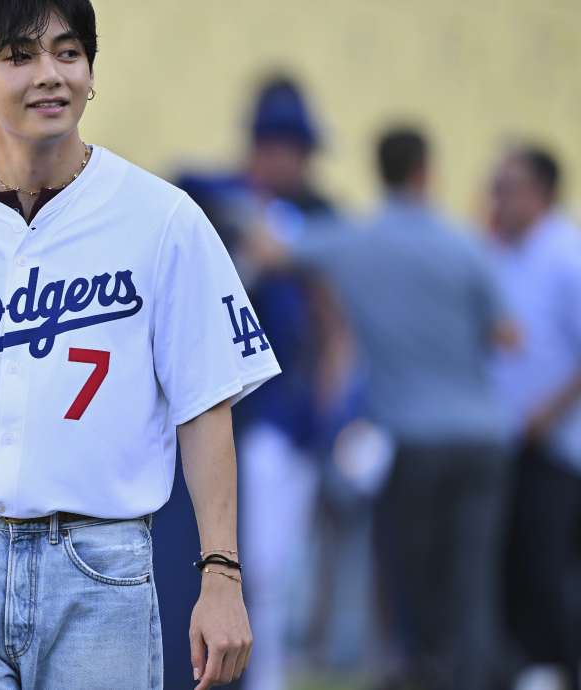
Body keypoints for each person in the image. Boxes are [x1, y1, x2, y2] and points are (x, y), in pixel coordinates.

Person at [0, 2, 281, 688]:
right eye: (19, 57)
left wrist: (221, 574)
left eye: (68, 54)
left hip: (101, 566)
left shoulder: (162, 219)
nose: (50, 76)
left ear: (92, 74)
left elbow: (204, 405)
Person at [255, 126, 518, 689]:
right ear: (427, 170)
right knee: (473, 581)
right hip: (481, 436)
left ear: (381, 170)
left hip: (411, 436)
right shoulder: (464, 243)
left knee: (409, 581)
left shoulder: (355, 242)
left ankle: (420, 673)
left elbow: (276, 249)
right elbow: (508, 335)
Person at [178, 75, 348, 690]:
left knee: (266, 577)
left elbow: (335, 331)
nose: (293, 162)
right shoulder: (206, 196)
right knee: (199, 570)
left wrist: (324, 419)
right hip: (204, 415)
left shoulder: (318, 217)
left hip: (277, 417)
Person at [488, 145, 581, 690]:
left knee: (554, 567)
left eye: (510, 187)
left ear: (542, 192)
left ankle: (577, 667)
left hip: (561, 444)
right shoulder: (504, 253)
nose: (500, 198)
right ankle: (536, 669)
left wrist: (554, 406)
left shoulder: (571, 254)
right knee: (518, 565)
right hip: (514, 441)